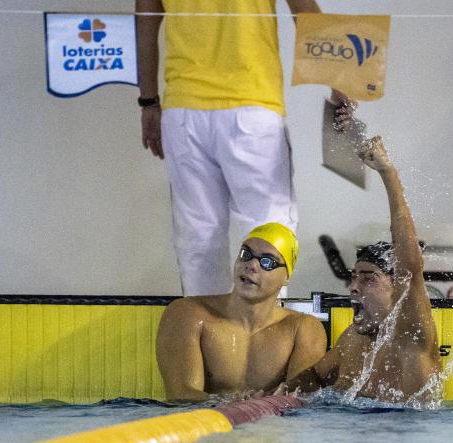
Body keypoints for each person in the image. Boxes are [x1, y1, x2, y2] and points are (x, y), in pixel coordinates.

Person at [136, 0, 356, 296]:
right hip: (252, 105)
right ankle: (266, 334)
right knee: (268, 227)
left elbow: (145, 18)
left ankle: (203, 335)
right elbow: (304, 12)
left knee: (198, 236)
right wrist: (339, 79)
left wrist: (148, 100)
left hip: (184, 108)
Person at [288, 137, 440, 404]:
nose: (353, 287)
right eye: (354, 278)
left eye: (369, 279)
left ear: (396, 287)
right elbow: (315, 377)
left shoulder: (411, 335)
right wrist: (277, 396)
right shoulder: (353, 338)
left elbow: (410, 269)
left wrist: (388, 174)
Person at [156, 222, 327, 401]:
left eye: (267, 261)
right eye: (246, 254)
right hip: (209, 425)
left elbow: (298, 402)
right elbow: (181, 396)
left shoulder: (302, 329)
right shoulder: (188, 314)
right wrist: (229, 403)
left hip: (273, 427)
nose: (252, 264)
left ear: (286, 277)